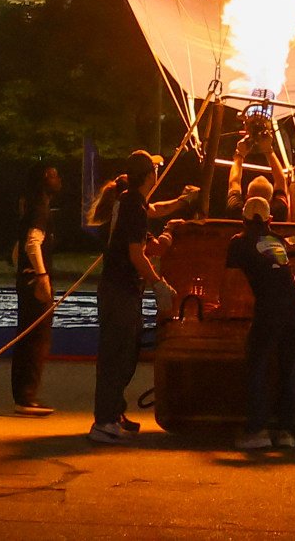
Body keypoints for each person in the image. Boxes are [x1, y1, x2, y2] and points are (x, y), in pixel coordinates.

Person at [86, 150, 177, 444]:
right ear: (149, 176)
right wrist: (158, 284)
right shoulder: (133, 207)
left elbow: (145, 233)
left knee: (126, 352)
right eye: (154, 170)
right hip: (120, 290)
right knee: (116, 355)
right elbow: (136, 254)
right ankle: (104, 421)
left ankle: (113, 412)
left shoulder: (130, 202)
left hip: (121, 289)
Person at [226, 190, 295, 459]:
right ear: (270, 219)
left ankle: (257, 430)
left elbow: (230, 284)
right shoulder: (278, 240)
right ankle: (286, 432)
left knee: (257, 365)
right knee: (289, 368)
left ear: (244, 219)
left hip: (269, 308)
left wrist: (223, 307)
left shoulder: (239, 241)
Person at [6, 197, 56, 415]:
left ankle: (23, 395)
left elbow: (18, 249)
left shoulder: (28, 211)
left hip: (26, 280)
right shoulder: (39, 210)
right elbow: (31, 243)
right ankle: (27, 396)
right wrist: (41, 275)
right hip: (34, 281)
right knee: (36, 338)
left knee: (28, 338)